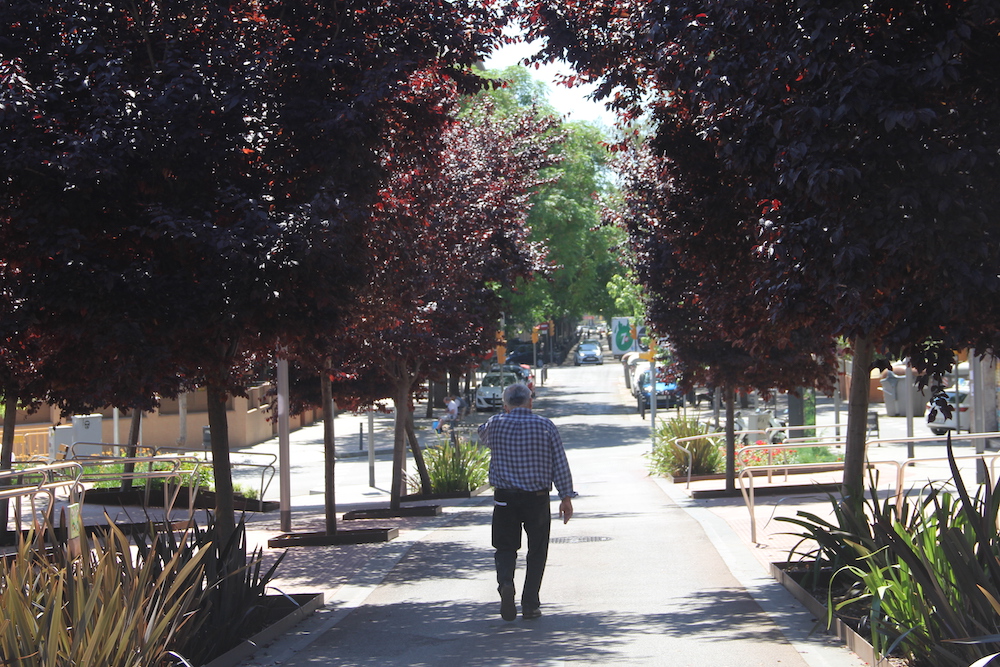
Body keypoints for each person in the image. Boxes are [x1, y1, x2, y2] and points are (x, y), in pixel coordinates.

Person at [477, 382, 576, 621]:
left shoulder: (495, 424)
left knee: (505, 547)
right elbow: (559, 462)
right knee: (537, 549)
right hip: (537, 499)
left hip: (505, 498)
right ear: (530, 402)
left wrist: (503, 416)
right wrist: (565, 496)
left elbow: (482, 435)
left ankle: (506, 582)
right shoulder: (545, 426)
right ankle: (530, 603)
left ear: (505, 404)